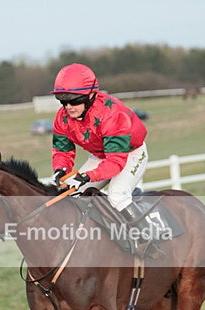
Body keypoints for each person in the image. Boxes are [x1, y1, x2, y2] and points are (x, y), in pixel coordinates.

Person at [50, 62, 149, 236]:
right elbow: (62, 151)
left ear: (91, 96)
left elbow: (115, 162)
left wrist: (87, 176)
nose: (68, 107)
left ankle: (150, 237)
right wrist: (60, 169)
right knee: (72, 195)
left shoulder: (112, 115)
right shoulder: (62, 118)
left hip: (130, 153)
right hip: (100, 155)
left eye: (74, 101)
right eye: (63, 101)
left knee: (117, 196)